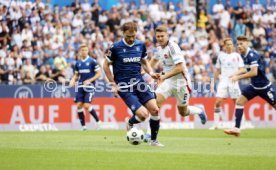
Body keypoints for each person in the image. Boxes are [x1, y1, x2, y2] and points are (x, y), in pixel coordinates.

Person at [103, 22, 163, 147]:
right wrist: (113, 84)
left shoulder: (140, 45)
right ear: (123, 33)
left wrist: (151, 73)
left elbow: (144, 62)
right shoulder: (115, 48)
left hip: (140, 83)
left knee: (155, 110)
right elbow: (105, 65)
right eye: (128, 36)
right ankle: (130, 122)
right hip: (124, 87)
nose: (131, 39)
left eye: (133, 36)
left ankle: (153, 141)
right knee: (143, 115)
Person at [150, 26, 207, 129]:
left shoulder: (173, 47)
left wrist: (163, 77)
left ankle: (199, 110)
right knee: (154, 105)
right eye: (158, 36)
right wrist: (144, 71)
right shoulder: (159, 49)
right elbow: (153, 61)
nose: (160, 38)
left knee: (183, 112)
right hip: (168, 82)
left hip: (181, 82)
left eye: (162, 36)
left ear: (167, 36)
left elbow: (180, 67)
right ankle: (150, 134)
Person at [224, 36, 276, 137]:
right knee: (239, 102)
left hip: (264, 87)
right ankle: (236, 129)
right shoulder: (243, 55)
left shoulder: (252, 55)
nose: (239, 46)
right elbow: (245, 69)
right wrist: (235, 74)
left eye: (241, 43)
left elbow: (254, 72)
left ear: (247, 43)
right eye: (238, 44)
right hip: (254, 86)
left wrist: (238, 78)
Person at [209, 38, 244, 130]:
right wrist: (212, 82)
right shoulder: (221, 56)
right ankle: (216, 124)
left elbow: (242, 69)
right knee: (218, 102)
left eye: (231, 44)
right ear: (224, 46)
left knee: (237, 102)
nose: (229, 46)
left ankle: (240, 123)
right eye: (227, 44)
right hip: (223, 81)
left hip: (233, 81)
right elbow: (217, 70)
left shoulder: (237, 56)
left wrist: (235, 74)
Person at [69, 44, 102, 131]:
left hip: (90, 86)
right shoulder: (78, 63)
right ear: (80, 52)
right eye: (82, 50)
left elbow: (99, 74)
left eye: (86, 50)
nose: (84, 52)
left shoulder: (92, 61)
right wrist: (73, 80)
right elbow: (76, 75)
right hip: (80, 86)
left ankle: (98, 122)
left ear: (88, 51)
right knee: (79, 105)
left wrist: (89, 80)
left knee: (87, 105)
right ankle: (83, 127)